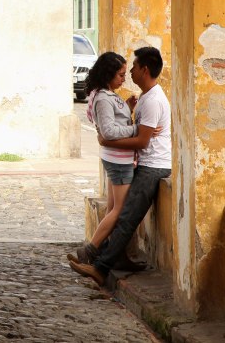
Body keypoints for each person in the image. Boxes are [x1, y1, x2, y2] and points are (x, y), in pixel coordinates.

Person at [69, 46, 172, 286]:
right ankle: (105, 259)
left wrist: (108, 139)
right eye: (123, 72)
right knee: (122, 213)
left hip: (154, 165)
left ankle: (99, 265)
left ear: (144, 70)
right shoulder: (145, 97)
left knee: (124, 217)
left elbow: (143, 139)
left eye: (133, 68)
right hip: (143, 162)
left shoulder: (153, 101)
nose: (130, 73)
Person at [67, 52, 138, 266]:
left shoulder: (103, 94)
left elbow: (110, 122)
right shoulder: (103, 98)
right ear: (109, 74)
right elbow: (107, 131)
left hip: (114, 158)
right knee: (119, 210)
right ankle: (91, 250)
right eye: (120, 75)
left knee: (111, 208)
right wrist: (137, 129)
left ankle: (108, 252)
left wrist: (126, 107)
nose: (124, 78)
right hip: (119, 160)